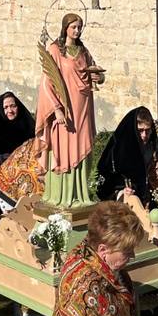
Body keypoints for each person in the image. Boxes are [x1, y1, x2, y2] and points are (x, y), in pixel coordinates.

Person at [35, 13, 104, 208]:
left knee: (82, 146)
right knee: (63, 147)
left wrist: (100, 79)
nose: (77, 30)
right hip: (65, 109)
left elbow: (93, 72)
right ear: (65, 27)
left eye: (79, 26)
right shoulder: (56, 50)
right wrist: (56, 109)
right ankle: (62, 196)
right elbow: (47, 83)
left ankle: (79, 195)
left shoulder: (83, 51)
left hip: (83, 107)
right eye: (74, 26)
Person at [96, 106, 158, 213]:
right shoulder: (119, 149)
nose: (144, 135)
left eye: (147, 130)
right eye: (140, 131)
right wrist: (121, 191)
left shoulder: (154, 147)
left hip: (151, 204)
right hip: (128, 204)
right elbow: (106, 180)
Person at [0, 91, 35, 184]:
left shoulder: (27, 123)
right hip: (3, 168)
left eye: (13, 106)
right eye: (5, 107)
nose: (10, 110)